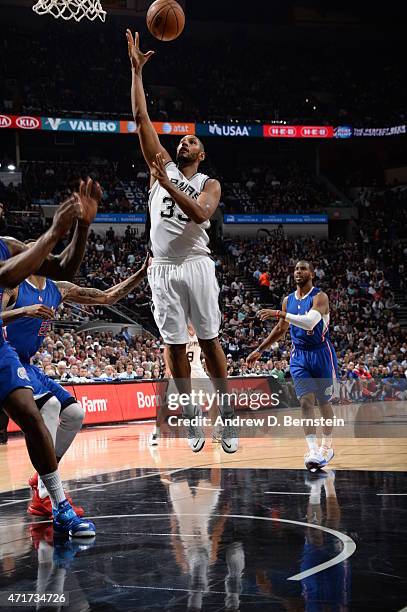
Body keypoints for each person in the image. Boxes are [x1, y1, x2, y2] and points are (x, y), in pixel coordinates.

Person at [126, 30, 237, 454]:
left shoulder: (209, 182)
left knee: (208, 341)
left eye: (193, 139)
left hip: (195, 261)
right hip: (163, 267)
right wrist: (136, 72)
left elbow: (202, 213)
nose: (184, 140)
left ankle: (226, 415)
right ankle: (191, 415)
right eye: (182, 138)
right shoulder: (162, 164)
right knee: (174, 347)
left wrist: (168, 185)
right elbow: (141, 119)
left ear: (201, 153)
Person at [1, 252, 148, 517]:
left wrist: (141, 273)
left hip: (29, 365)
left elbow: (106, 297)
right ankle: (47, 496)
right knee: (51, 407)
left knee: (74, 414)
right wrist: (24, 310)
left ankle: (42, 474)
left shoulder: (59, 289)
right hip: (8, 359)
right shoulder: (14, 285)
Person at [0, 177, 100, 537]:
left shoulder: (8, 245)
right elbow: (6, 275)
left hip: (1, 349)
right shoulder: (10, 261)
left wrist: (83, 228)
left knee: (33, 413)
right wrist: (54, 232)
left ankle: (57, 505)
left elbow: (62, 269)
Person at [247, 260, 338, 471]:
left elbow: (309, 322)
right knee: (306, 402)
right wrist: (260, 349)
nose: (299, 272)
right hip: (299, 356)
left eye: (303, 269)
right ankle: (313, 450)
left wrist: (279, 313)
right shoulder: (288, 300)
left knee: (324, 403)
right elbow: (280, 330)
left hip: (321, 353)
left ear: (312, 274)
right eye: (296, 269)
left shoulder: (320, 297)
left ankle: (327, 446)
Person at [148, 324, 219, 446]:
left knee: (213, 399)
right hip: (180, 370)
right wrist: (168, 368)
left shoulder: (201, 331)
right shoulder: (179, 329)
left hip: (197, 370)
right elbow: (167, 349)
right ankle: (156, 431)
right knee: (167, 404)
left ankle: (216, 432)